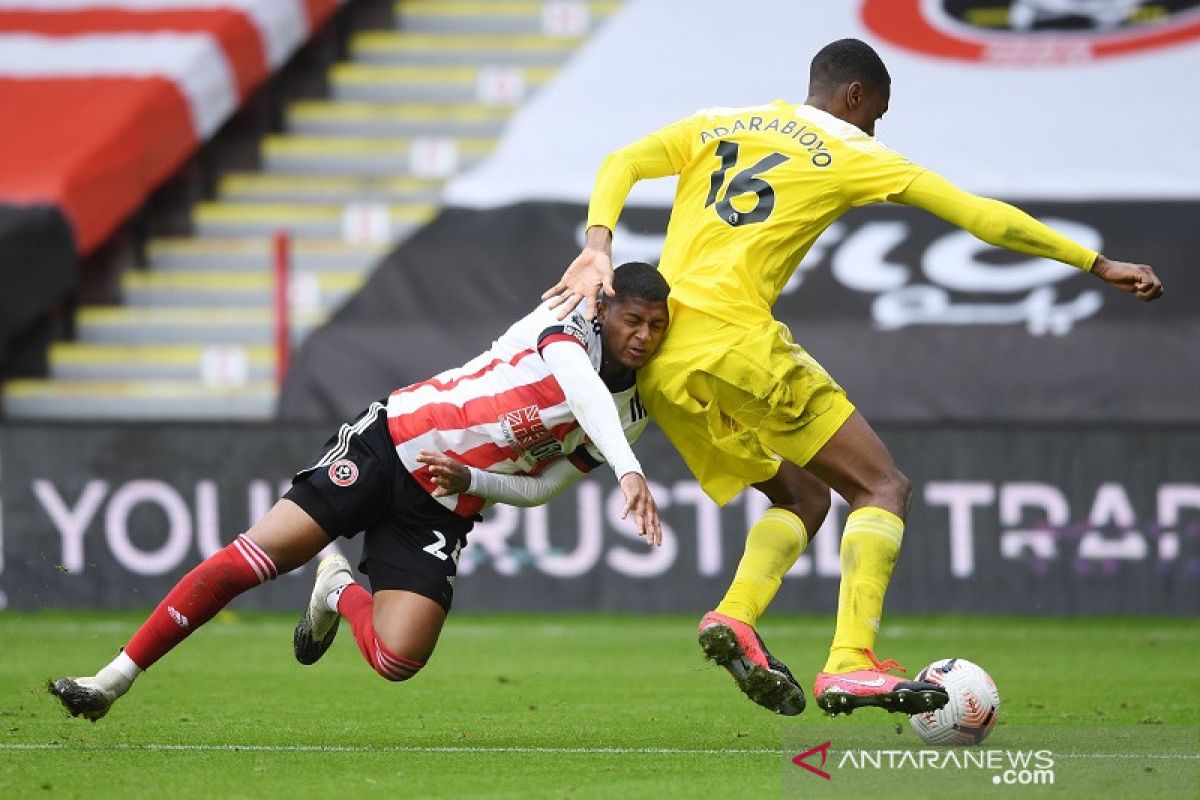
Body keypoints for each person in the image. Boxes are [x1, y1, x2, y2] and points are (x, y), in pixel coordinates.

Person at [544, 38, 1164, 718]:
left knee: (806, 499)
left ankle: (735, 616)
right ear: (856, 97)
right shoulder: (852, 150)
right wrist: (1094, 262)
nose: (875, 127)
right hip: (737, 343)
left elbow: (622, 160)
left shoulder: (722, 120)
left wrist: (598, 243)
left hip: (664, 363)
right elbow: (979, 215)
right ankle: (849, 662)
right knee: (882, 486)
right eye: (878, 113)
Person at [50, 262, 672, 721]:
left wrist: (472, 481)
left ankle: (337, 588)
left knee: (399, 659)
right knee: (255, 559)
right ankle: (112, 679)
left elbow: (541, 491)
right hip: (391, 440)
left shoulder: (635, 411)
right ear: (605, 311)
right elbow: (581, 390)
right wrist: (628, 469)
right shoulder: (569, 320)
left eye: (657, 327)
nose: (643, 336)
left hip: (444, 501)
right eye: (633, 320)